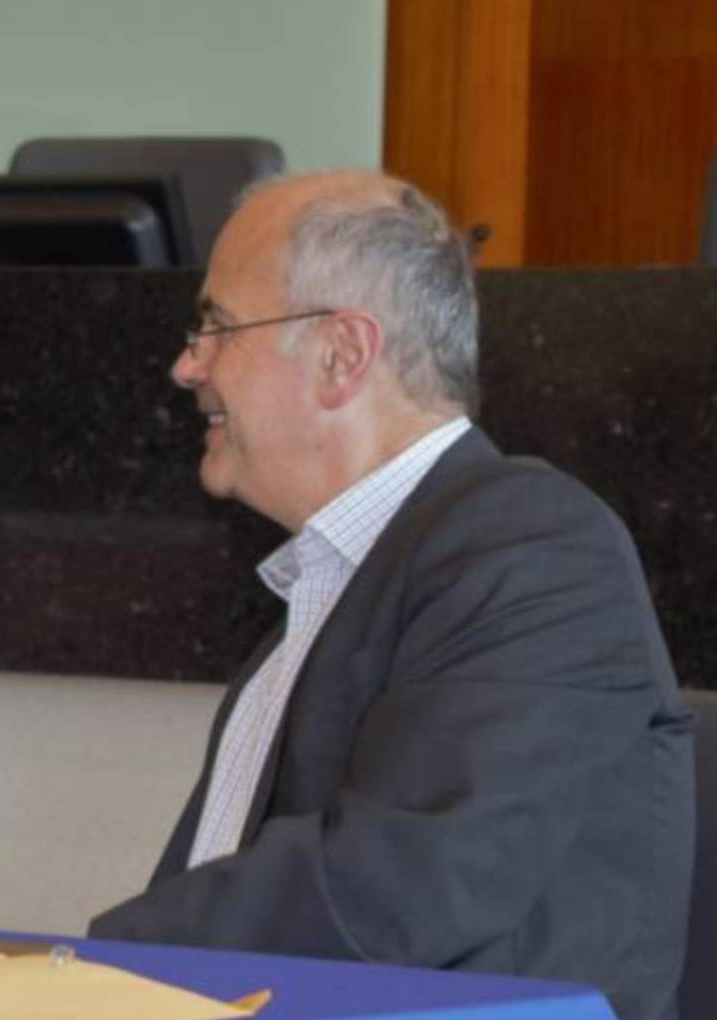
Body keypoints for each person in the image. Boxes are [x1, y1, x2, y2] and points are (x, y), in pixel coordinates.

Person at [88, 171, 693, 1020]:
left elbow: (406, 885)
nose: (187, 365)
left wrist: (81, 972)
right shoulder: (335, 584)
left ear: (342, 354)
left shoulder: (535, 548)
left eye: (217, 327)